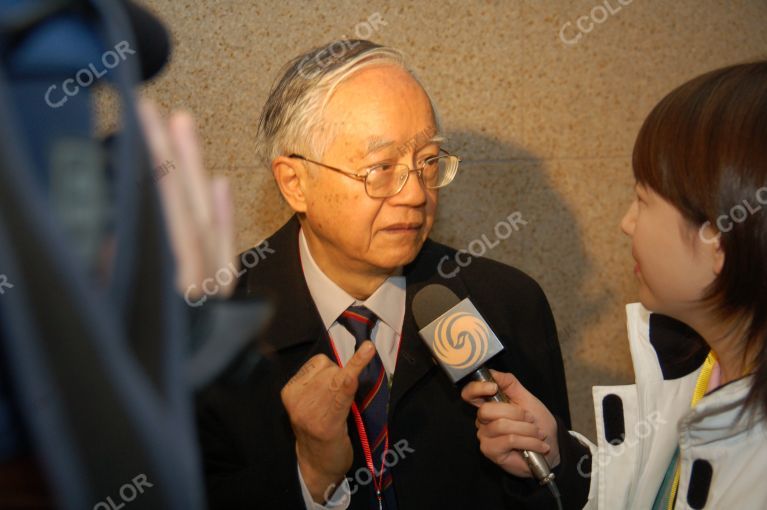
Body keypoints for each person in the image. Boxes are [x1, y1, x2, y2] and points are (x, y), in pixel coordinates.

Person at [195, 40, 590, 509]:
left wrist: (554, 461)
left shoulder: (506, 303)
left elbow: (563, 495)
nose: (416, 195)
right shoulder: (203, 327)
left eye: (427, 163)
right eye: (380, 169)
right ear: (294, 183)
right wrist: (312, 476)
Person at [462, 61, 767, 509]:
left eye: (643, 199)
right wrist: (558, 459)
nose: (626, 224)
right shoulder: (701, 371)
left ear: (718, 236)